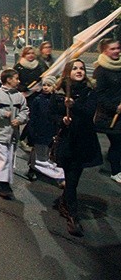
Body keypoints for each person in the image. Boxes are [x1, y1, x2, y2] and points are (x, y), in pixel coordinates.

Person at [50, 59, 102, 237]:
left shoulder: (90, 92)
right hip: (66, 141)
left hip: (83, 141)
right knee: (71, 179)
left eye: (81, 68)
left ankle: (65, 201)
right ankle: (72, 215)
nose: (79, 71)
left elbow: (88, 112)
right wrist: (62, 120)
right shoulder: (60, 92)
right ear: (67, 72)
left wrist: (74, 105)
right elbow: (53, 114)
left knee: (74, 179)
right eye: (75, 68)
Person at [0, 69, 29, 199]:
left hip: (13, 135)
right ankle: (2, 184)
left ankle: (2, 181)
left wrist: (20, 119)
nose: (18, 81)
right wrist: (3, 114)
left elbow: (25, 111)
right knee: (1, 159)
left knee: (8, 159)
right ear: (8, 80)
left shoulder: (19, 96)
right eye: (16, 78)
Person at [26, 75, 65, 185]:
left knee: (46, 151)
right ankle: (33, 169)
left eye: (49, 85)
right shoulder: (38, 99)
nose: (46, 87)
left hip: (50, 129)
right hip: (39, 128)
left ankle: (38, 168)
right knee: (38, 151)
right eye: (44, 85)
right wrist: (31, 131)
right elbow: (33, 116)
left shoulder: (57, 99)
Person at [93, 38, 121, 184]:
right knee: (117, 142)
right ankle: (116, 171)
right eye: (113, 49)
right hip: (110, 115)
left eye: (118, 48)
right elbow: (99, 95)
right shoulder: (101, 70)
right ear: (105, 51)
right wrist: (115, 107)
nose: (117, 51)